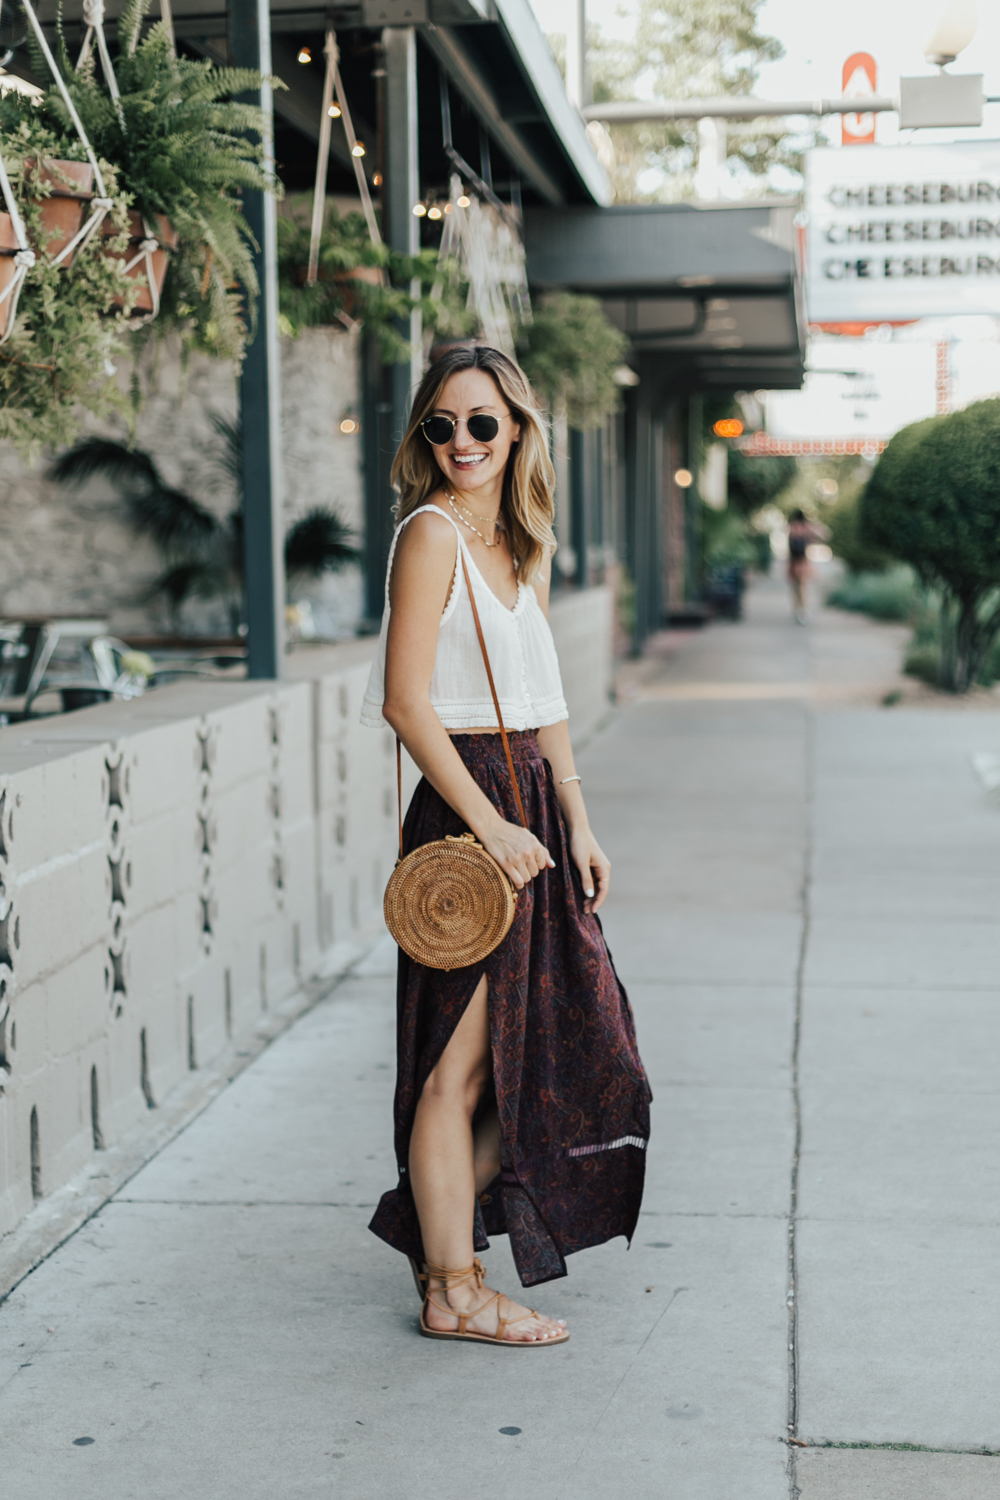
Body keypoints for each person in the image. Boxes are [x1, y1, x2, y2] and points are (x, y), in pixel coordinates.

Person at [361, 345, 651, 1347]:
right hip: (471, 814)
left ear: (518, 428)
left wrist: (576, 818)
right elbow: (407, 703)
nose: (461, 443)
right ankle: (453, 1286)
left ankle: (437, 1232)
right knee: (457, 1066)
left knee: (556, 1045)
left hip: (527, 800)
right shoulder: (431, 535)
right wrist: (494, 828)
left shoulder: (519, 539)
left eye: (481, 423)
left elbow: (546, 701)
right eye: (440, 425)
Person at [786, 508, 828, 624]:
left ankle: (797, 610)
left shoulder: (792, 527)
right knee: (802, 587)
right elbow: (824, 535)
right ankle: (803, 611)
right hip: (803, 562)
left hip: (793, 562)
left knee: (795, 587)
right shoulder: (806, 527)